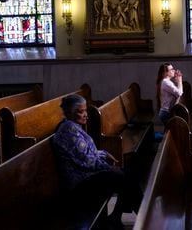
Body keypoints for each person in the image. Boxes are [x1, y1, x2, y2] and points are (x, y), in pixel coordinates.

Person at [51, 94, 142, 229]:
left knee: (128, 174)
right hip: (79, 184)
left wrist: (104, 154)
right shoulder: (68, 130)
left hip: (87, 176)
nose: (86, 115)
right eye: (81, 112)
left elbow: (86, 153)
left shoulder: (73, 126)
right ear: (69, 113)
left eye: (85, 110)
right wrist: (108, 167)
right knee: (122, 176)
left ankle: (120, 216)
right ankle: (144, 216)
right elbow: (86, 161)